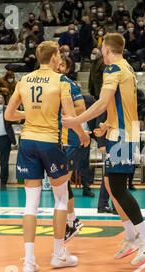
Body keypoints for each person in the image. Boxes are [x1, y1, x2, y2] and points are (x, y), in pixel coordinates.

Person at [62, 33, 145, 266]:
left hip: (123, 135)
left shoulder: (113, 69)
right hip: (123, 130)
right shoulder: (127, 67)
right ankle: (131, 235)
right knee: (111, 184)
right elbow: (121, 103)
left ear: (106, 50)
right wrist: (108, 124)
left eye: (101, 51)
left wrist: (77, 121)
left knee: (117, 187)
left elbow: (101, 103)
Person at [5, 41, 90, 272]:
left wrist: (29, 114)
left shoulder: (24, 80)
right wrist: (83, 135)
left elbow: (9, 114)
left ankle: (29, 261)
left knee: (30, 204)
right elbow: (71, 116)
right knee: (61, 199)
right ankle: (58, 254)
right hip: (50, 142)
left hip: (28, 142)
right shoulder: (61, 81)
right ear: (54, 57)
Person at [57, 55, 87, 243]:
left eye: (62, 64)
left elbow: (82, 108)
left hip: (69, 138)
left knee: (62, 182)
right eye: (57, 63)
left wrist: (66, 116)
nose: (58, 66)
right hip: (55, 138)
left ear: (67, 68)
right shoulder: (52, 83)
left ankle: (71, 221)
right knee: (61, 183)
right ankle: (72, 220)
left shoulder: (69, 84)